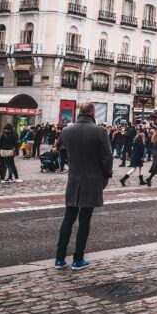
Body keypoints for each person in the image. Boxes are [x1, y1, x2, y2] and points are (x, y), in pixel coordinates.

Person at [54, 102, 113, 270]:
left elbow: (60, 149)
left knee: (68, 217)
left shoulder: (66, 130)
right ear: (93, 113)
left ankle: (59, 258)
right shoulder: (100, 131)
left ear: (80, 112)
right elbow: (107, 157)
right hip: (93, 179)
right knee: (85, 220)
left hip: (74, 178)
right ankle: (78, 259)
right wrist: (107, 175)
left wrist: (70, 164)